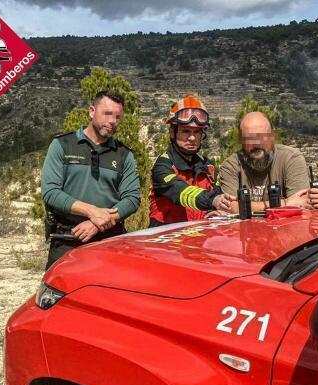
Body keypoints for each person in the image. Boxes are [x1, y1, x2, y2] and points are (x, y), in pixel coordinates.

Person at [41, 90, 141, 269]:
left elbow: (132, 199)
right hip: (68, 237)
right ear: (91, 111)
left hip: (110, 239)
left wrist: (98, 223)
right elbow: (51, 192)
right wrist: (92, 211)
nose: (112, 121)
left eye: (118, 117)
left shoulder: (124, 154)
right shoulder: (62, 145)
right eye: (107, 114)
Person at [149, 95, 234, 226]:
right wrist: (213, 200)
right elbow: (181, 191)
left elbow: (217, 197)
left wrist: (218, 210)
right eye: (186, 131)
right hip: (166, 243)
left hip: (199, 241)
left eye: (197, 132)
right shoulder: (163, 165)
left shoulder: (209, 167)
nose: (192, 138)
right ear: (172, 132)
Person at [219, 111, 310, 212]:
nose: (256, 143)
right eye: (249, 138)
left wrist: (243, 207)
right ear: (241, 141)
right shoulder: (231, 166)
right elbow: (229, 208)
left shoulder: (291, 158)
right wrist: (284, 203)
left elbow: (301, 205)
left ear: (272, 136)